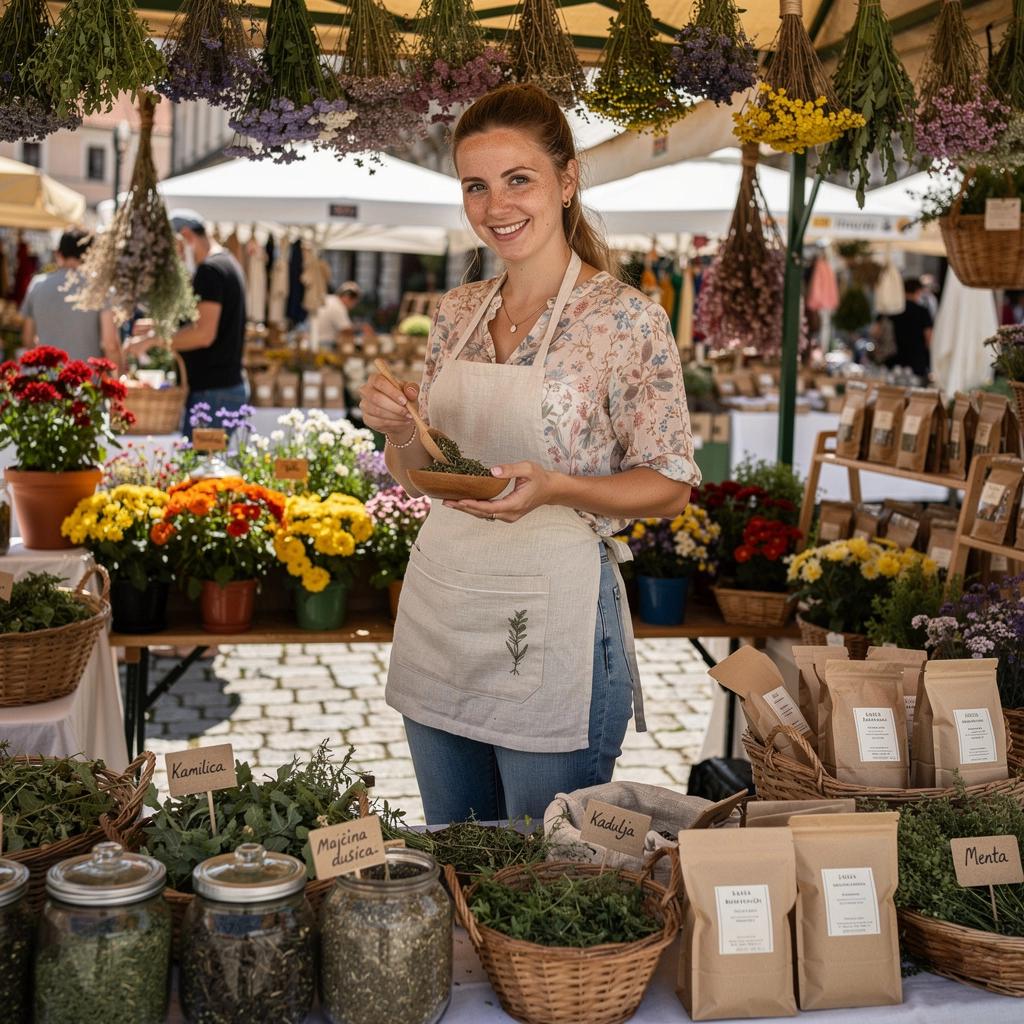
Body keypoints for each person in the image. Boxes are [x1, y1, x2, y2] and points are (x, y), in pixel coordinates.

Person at [359, 84, 700, 825]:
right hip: (442, 605)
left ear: (567, 181)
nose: (496, 206)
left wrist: (554, 487)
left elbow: (671, 483)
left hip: (555, 617)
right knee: (454, 849)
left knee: (546, 864)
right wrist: (397, 427)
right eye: (476, 186)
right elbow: (417, 474)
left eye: (519, 179)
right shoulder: (456, 311)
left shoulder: (626, 319)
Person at [129, 210, 248, 437]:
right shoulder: (226, 263)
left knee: (201, 459)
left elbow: (203, 333)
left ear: (186, 236)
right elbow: (207, 321)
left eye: (175, 248)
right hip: (220, 389)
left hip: (213, 392)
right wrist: (158, 326)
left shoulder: (210, 270)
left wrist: (153, 340)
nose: (177, 257)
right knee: (206, 459)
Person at [21, 229, 122, 368]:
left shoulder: (37, 285)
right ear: (93, 254)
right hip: (86, 378)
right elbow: (110, 344)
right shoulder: (100, 289)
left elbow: (27, 339)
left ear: (59, 253)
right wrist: (119, 375)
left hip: (47, 377)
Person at [886, 277, 933, 377]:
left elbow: (876, 331)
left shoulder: (894, 310)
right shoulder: (922, 311)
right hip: (917, 360)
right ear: (918, 291)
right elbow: (928, 337)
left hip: (894, 359)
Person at [309, 280, 376, 349]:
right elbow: (346, 331)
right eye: (355, 303)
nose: (353, 306)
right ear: (350, 298)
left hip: (312, 340)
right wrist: (362, 328)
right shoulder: (338, 306)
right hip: (323, 344)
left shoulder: (329, 299)